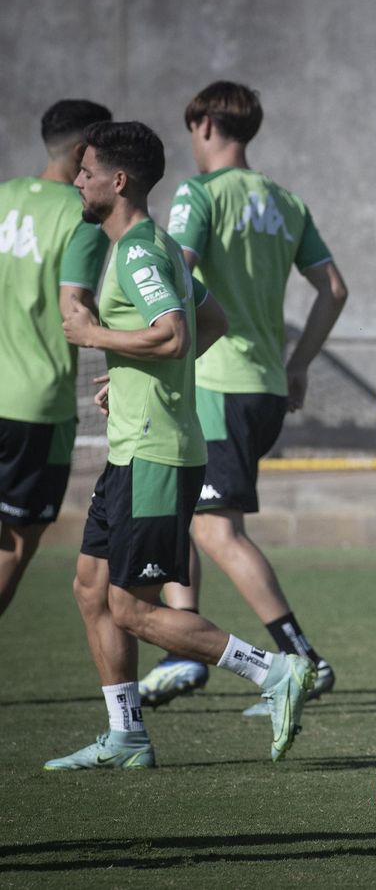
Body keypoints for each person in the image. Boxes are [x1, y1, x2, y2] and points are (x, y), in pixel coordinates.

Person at [46, 120, 315, 770]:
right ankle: (127, 735)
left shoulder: (138, 254)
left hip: (155, 455)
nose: (77, 181)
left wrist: (95, 338)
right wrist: (129, 374)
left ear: (118, 181)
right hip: (133, 451)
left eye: (87, 172)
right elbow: (210, 321)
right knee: (90, 587)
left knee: (132, 610)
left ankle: (274, 670)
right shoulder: (150, 245)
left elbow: (173, 334)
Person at [136, 81, 349, 712]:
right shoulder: (285, 200)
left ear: (203, 124)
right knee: (181, 509)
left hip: (217, 382)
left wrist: (143, 351)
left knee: (215, 527)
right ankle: (183, 651)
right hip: (264, 385)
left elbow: (175, 270)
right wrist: (299, 363)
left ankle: (304, 659)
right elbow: (334, 288)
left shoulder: (199, 193)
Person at [0, 99, 111, 621]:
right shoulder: (82, 215)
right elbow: (76, 309)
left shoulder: (4, 196)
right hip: (34, 407)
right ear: (82, 150)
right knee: (15, 545)